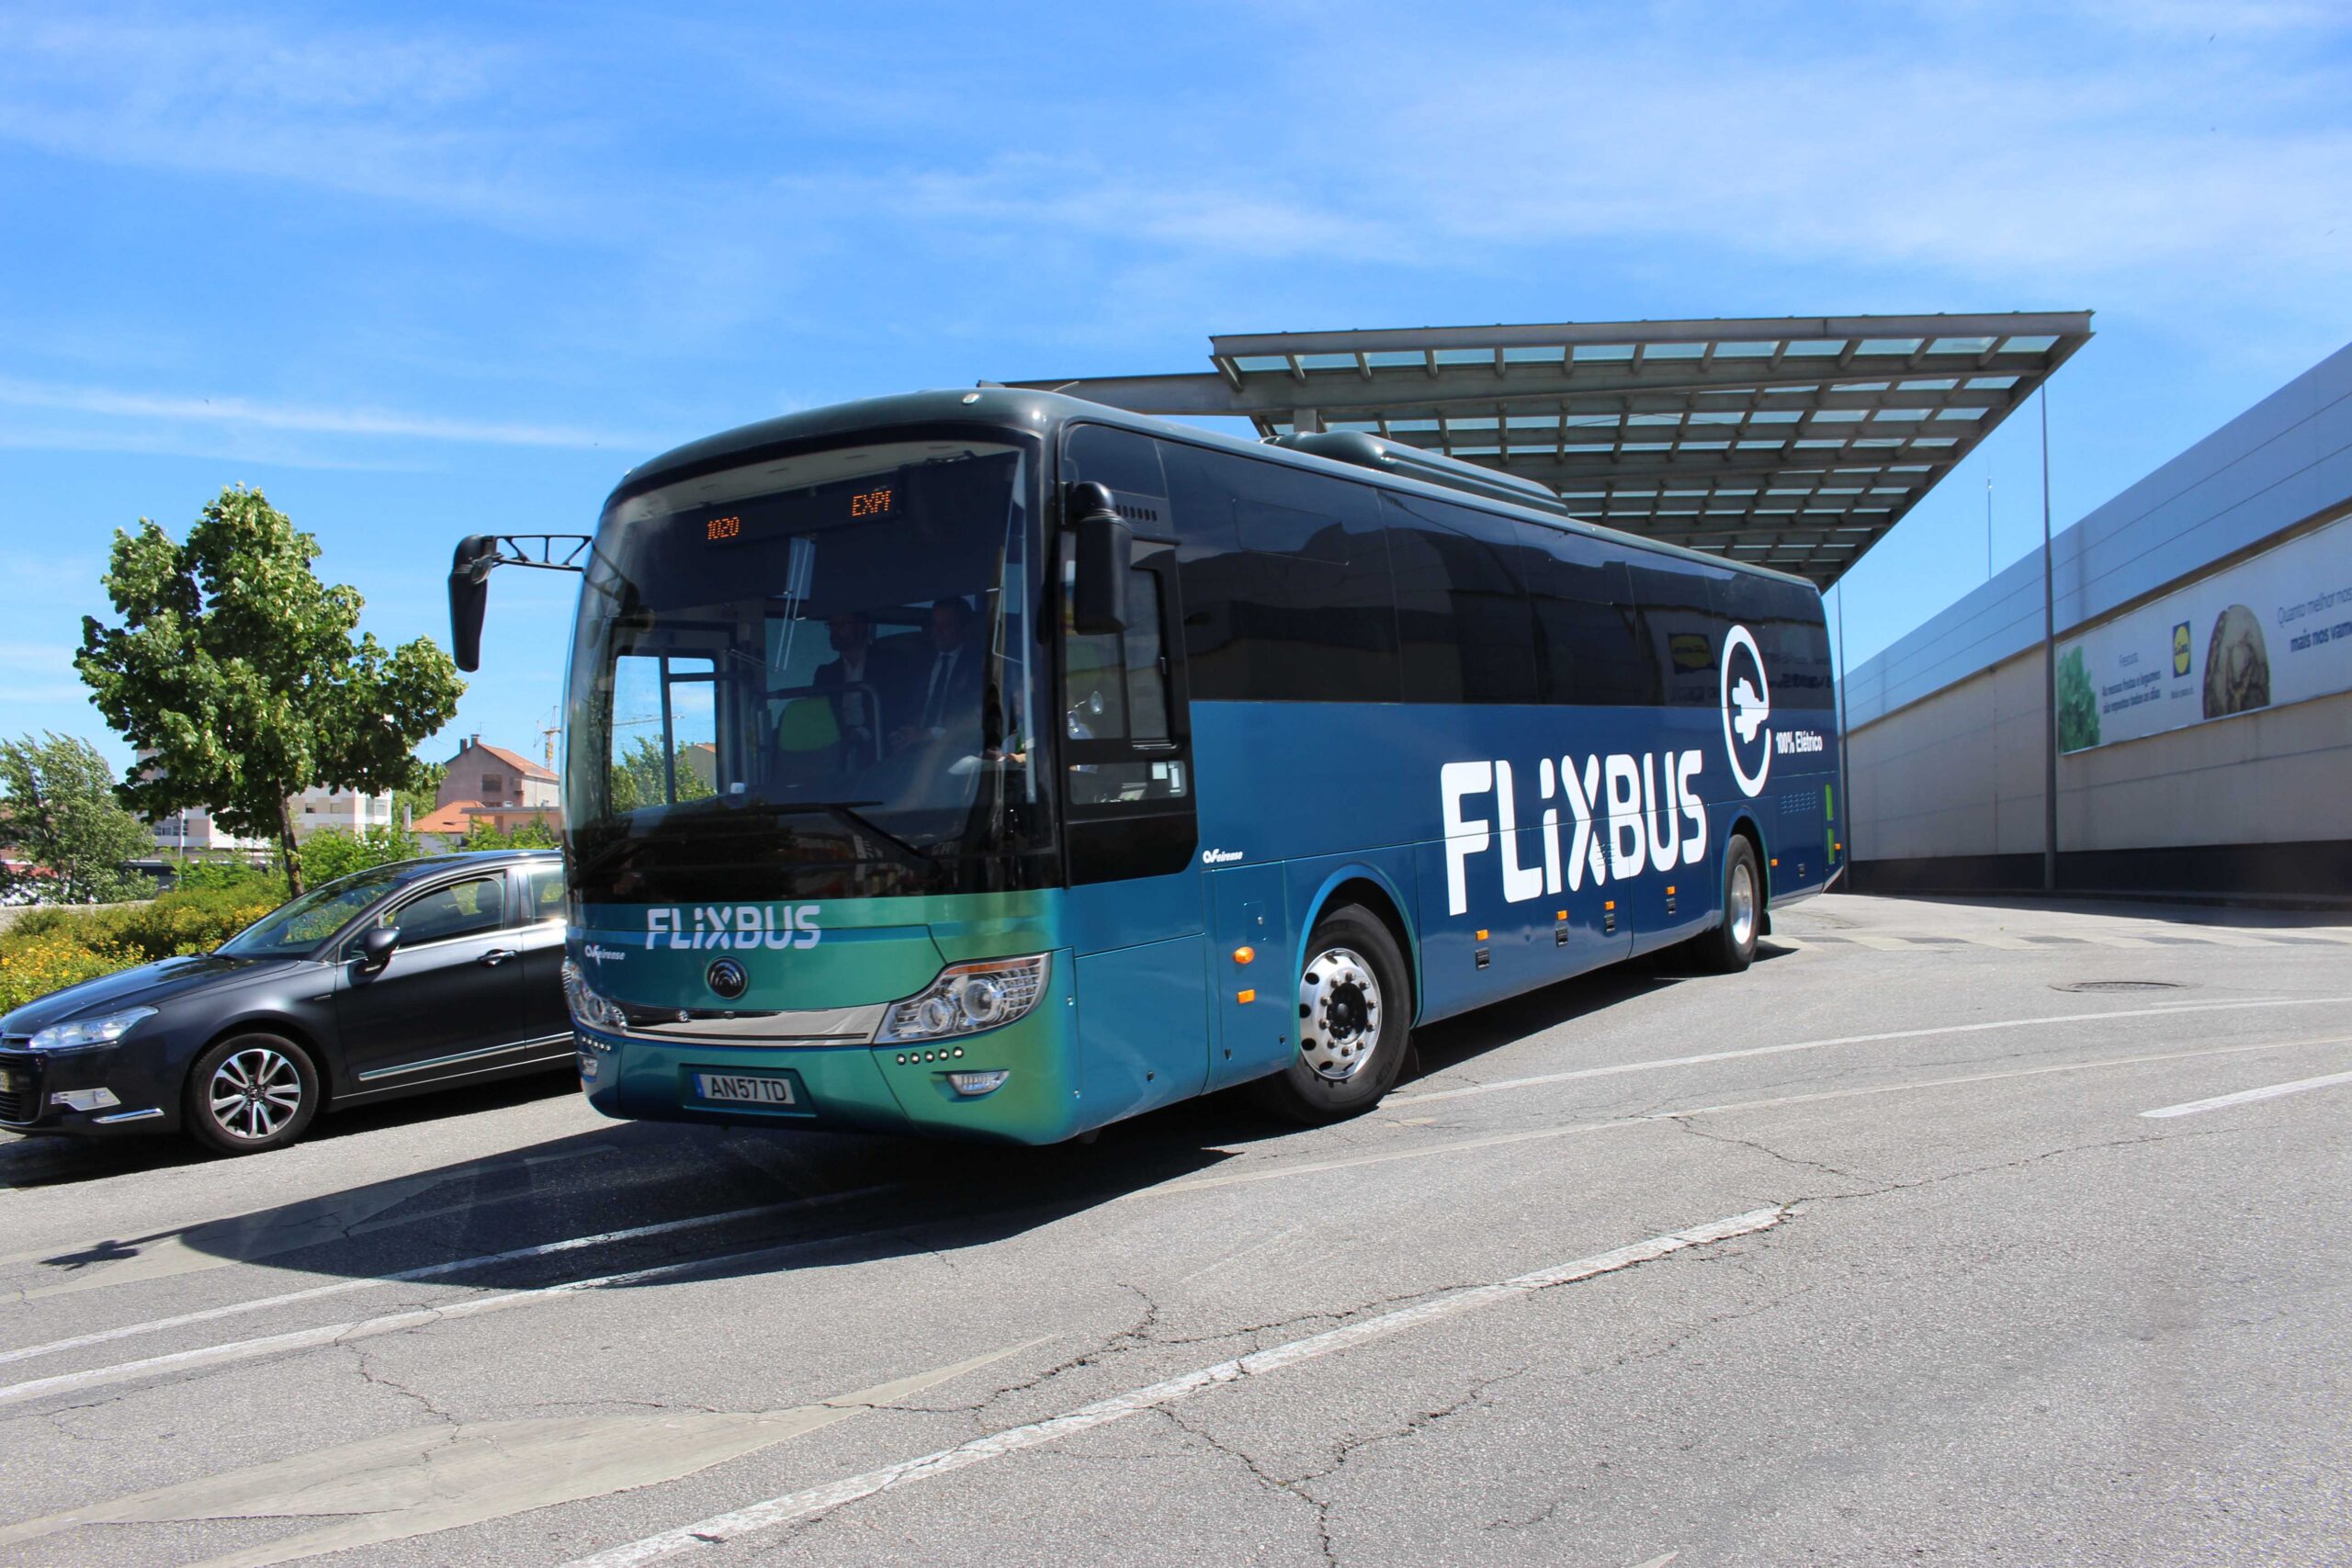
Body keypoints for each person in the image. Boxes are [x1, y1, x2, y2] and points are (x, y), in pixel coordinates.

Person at [891, 597, 984, 753]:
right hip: (913, 752)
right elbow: (901, 705)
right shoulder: (918, 662)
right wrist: (898, 733)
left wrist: (930, 734)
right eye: (935, 624)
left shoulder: (977, 665)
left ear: (963, 628)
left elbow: (973, 721)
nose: (938, 631)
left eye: (947, 625)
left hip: (957, 750)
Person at [811, 611, 888, 759]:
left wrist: (862, 733)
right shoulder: (825, 673)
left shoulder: (888, 664)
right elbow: (816, 712)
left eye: (841, 624)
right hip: (835, 742)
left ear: (861, 626)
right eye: (831, 625)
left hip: (877, 740)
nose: (835, 631)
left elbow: (895, 707)